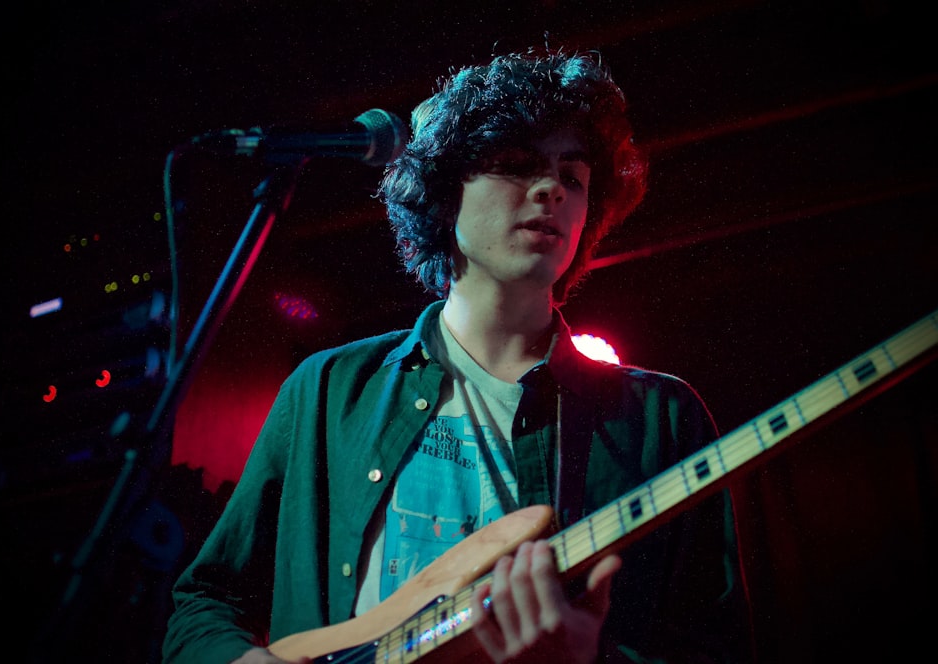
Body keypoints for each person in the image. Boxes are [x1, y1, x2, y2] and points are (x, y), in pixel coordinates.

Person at [162, 49, 754, 664]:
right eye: (516, 165)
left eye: (573, 177)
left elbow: (718, 649)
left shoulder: (660, 418)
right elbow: (206, 599)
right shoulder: (330, 390)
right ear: (445, 196)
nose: (551, 188)